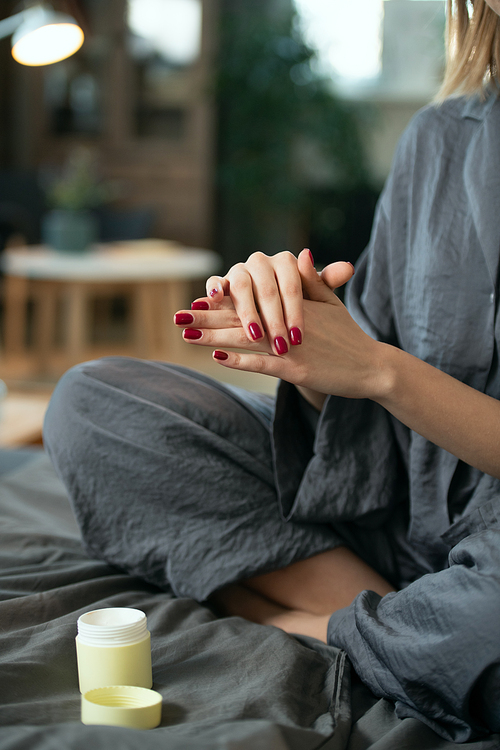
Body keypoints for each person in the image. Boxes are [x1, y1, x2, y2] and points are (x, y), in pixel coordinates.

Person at [44, 0, 500, 743]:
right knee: (93, 403)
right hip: (399, 530)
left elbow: (384, 371)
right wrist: (311, 348)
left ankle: (298, 619)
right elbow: (368, 424)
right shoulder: (441, 137)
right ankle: (387, 618)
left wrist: (381, 370)